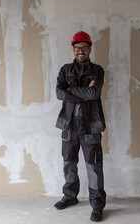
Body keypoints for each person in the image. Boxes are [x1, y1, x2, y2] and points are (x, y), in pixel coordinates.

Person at [54, 31, 106, 222]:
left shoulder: (98, 70)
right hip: (68, 125)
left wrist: (71, 90)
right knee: (69, 163)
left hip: (91, 126)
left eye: (84, 47)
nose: (80, 51)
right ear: (73, 49)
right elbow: (60, 93)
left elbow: (93, 94)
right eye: (77, 48)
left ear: (90, 48)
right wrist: (83, 92)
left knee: (94, 167)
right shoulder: (65, 69)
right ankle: (70, 196)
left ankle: (97, 206)